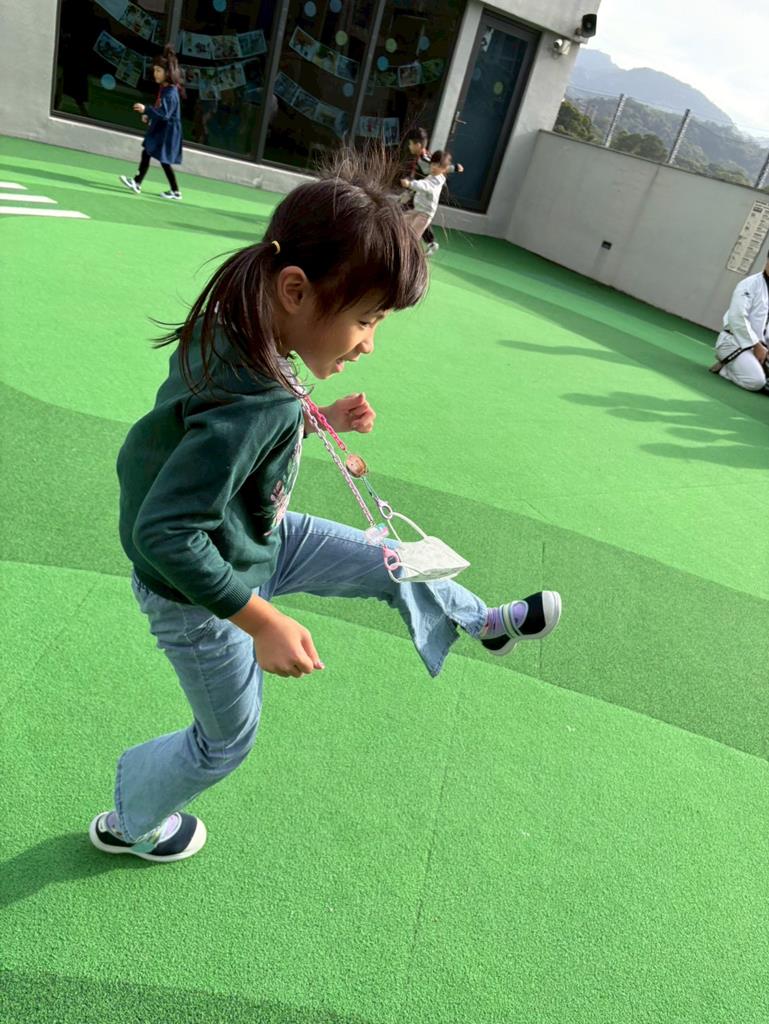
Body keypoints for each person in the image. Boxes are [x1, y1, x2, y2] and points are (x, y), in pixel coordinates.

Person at [89, 152, 562, 863]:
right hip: (200, 594)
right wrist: (261, 620)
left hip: (259, 536)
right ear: (295, 289)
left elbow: (229, 436)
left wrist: (318, 419)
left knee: (391, 559)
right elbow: (166, 533)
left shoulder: (238, 327)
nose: (369, 343)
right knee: (226, 740)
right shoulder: (257, 397)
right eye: (366, 319)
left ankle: (481, 622)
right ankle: (129, 823)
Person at [119, 44, 184, 201]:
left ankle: (140, 183)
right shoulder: (166, 88)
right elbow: (161, 111)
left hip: (167, 132)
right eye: (154, 70)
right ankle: (142, 183)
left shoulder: (170, 93)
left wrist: (146, 110)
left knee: (160, 158)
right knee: (152, 154)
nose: (155, 73)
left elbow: (164, 114)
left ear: (168, 73)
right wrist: (149, 116)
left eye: (158, 71)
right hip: (164, 128)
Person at [709, 252, 769, 392]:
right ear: (767, 260)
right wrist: (756, 345)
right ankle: (725, 369)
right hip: (734, 343)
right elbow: (737, 317)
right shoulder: (750, 284)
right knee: (756, 382)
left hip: (762, 348)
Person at [400, 129, 464, 256]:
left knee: (416, 222)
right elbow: (439, 168)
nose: (409, 147)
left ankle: (414, 250)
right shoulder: (425, 159)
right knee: (407, 218)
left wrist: (455, 168)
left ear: (418, 145)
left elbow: (431, 179)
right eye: (433, 165)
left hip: (422, 194)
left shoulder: (424, 160)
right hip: (419, 195)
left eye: (410, 144)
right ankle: (430, 242)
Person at [400, 150, 454, 252]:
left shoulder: (436, 182)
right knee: (400, 223)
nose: (433, 167)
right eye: (433, 164)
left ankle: (412, 255)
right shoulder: (433, 175)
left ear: (443, 169)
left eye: (437, 165)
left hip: (425, 214)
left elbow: (424, 186)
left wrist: (410, 184)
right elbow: (447, 168)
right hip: (417, 209)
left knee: (412, 236)